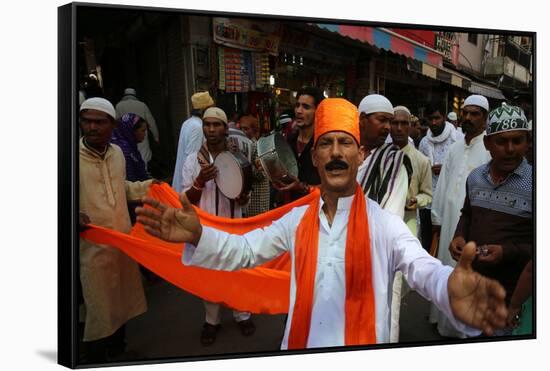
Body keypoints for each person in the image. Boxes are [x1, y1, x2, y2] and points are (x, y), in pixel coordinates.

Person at [136, 98, 508, 349]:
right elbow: (245, 250)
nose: (335, 152)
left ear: (359, 155)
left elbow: (423, 268)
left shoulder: (385, 226)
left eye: (344, 143)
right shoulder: (297, 219)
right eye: (326, 143)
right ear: (314, 157)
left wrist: (448, 286)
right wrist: (199, 232)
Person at [78, 97, 156, 362]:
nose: (92, 127)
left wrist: (150, 187)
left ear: (111, 125)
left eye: (99, 122)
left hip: (122, 241)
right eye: (87, 121)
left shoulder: (118, 154)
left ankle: (119, 353)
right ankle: (95, 360)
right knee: (98, 309)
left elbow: (120, 189)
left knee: (122, 302)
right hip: (91, 248)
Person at [450, 104, 533, 336]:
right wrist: (459, 235)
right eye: (501, 141)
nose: (510, 149)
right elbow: (467, 213)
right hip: (474, 289)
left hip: (514, 297)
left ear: (528, 142)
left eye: (517, 141)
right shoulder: (475, 178)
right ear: (487, 144)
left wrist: (506, 252)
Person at [179, 107, 255, 345]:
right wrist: (200, 181)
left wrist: (243, 198)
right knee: (208, 275)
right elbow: (185, 199)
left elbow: (246, 193)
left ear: (225, 128)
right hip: (204, 230)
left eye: (216, 125)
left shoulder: (238, 158)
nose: (211, 130)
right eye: (207, 125)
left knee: (237, 272)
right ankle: (212, 321)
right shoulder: (193, 161)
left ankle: (242, 314)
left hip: (232, 225)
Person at [429, 94, 492, 337]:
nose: (468, 118)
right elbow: (444, 184)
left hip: (473, 224)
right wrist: (437, 218)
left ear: (485, 118)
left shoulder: (489, 148)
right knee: (447, 267)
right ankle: (443, 321)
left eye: (474, 114)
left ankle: (464, 329)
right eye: (465, 113)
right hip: (448, 223)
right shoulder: (455, 148)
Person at [357, 94, 412, 219]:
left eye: (389, 121)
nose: (387, 127)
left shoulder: (394, 163)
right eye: (382, 120)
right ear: (363, 119)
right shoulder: (346, 154)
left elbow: (392, 215)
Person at [418, 103, 459, 252]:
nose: (434, 122)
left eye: (437, 118)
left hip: (447, 199)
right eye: (430, 119)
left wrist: (445, 169)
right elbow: (420, 169)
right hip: (427, 200)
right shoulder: (424, 142)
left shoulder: (456, 139)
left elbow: (462, 169)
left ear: (444, 117)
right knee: (427, 242)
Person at [390, 106, 432, 237]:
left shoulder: (421, 160)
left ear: (410, 126)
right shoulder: (380, 156)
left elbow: (428, 195)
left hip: (408, 223)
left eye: (404, 123)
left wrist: (416, 200)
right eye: (395, 123)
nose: (399, 128)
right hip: (381, 222)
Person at [280, 87, 324, 199]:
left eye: (306, 107)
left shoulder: (323, 144)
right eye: (297, 105)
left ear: (318, 111)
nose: (299, 111)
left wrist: (303, 188)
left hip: (316, 209)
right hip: (290, 210)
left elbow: (333, 185)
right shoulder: (289, 141)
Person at [172, 91, 214, 193]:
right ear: (205, 109)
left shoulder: (188, 122)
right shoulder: (198, 127)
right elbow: (192, 159)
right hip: (190, 185)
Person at [115, 88, 159, 169]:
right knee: (143, 157)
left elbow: (115, 123)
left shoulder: (119, 106)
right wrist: (156, 136)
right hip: (142, 136)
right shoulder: (142, 105)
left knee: (127, 158)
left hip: (125, 137)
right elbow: (151, 121)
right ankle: (143, 176)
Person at [238, 114, 270, 217]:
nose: (243, 132)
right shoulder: (241, 146)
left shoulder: (258, 146)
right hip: (247, 202)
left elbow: (261, 175)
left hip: (257, 200)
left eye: (246, 129)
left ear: (254, 130)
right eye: (241, 128)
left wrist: (243, 163)